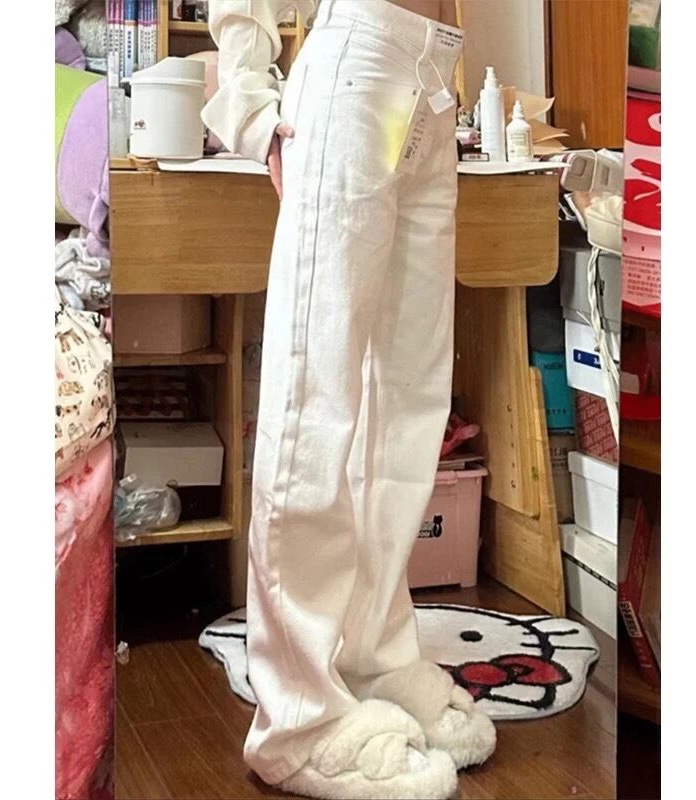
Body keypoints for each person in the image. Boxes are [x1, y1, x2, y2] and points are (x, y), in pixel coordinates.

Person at [203, 2, 496, 797]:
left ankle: (374, 655)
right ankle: (296, 718)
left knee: (406, 397)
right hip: (358, 64)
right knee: (316, 395)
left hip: (428, 75)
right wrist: (249, 98)